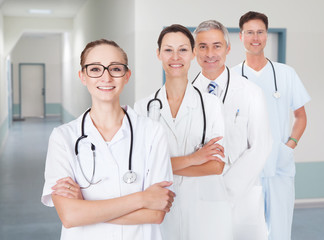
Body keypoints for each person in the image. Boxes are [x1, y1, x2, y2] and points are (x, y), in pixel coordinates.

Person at [41, 39, 175, 240]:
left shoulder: (152, 132)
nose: (106, 77)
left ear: (127, 75)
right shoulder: (63, 137)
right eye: (95, 69)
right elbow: (69, 216)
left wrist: (86, 207)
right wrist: (142, 198)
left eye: (115, 68)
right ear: (82, 76)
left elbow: (155, 214)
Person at [134, 24, 233, 240]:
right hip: (162, 209)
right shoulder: (142, 108)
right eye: (168, 50)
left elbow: (216, 166)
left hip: (204, 209)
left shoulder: (211, 104)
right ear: (158, 53)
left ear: (193, 53)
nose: (175, 57)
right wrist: (195, 159)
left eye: (183, 49)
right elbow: (142, 167)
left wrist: (164, 166)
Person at [232, 11, 311, 240]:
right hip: (244, 169)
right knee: (245, 233)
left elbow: (301, 116)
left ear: (266, 35)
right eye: (249, 32)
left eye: (260, 32)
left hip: (279, 166)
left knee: (279, 233)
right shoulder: (232, 77)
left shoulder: (286, 74)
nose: (255, 38)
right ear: (241, 36)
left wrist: (289, 146)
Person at [192, 20, 272, 240]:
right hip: (198, 199)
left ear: (227, 49)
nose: (210, 53)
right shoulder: (186, 96)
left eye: (217, 46)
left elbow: (260, 146)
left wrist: (225, 191)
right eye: (202, 46)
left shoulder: (250, 92)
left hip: (241, 198)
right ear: (194, 51)